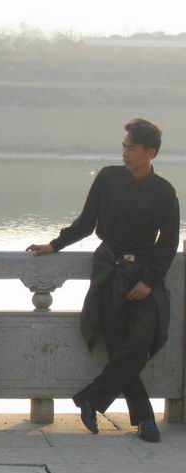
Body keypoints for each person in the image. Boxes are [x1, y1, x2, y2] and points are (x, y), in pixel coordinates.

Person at [27, 119, 180, 443]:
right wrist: (55, 245)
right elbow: (86, 223)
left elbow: (167, 244)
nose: (124, 153)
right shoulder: (108, 178)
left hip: (143, 274)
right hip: (109, 270)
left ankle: (91, 398)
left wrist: (149, 281)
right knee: (118, 344)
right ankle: (145, 420)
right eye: (124, 146)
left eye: (131, 148)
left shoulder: (165, 192)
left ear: (150, 153)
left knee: (143, 340)